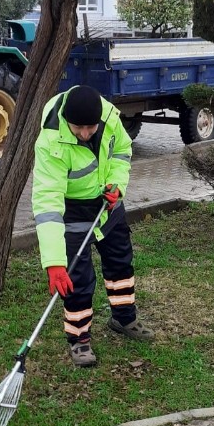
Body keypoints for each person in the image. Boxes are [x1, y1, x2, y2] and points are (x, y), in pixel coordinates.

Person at [31, 84, 154, 367]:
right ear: (67, 121)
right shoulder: (50, 142)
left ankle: (124, 319)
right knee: (78, 278)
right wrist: (54, 262)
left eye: (91, 127)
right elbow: (47, 203)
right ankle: (79, 339)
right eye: (79, 128)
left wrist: (116, 185)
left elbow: (122, 150)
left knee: (120, 263)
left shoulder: (109, 117)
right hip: (74, 211)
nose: (85, 133)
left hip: (108, 204)